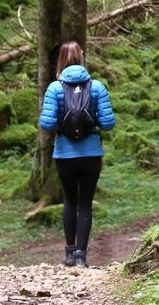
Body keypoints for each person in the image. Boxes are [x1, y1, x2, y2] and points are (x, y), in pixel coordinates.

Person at [38, 42, 116, 268]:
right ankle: (82, 255)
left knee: (70, 200)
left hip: (64, 153)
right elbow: (109, 123)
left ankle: (69, 254)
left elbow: (46, 122)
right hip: (91, 153)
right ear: (82, 59)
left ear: (60, 61)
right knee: (86, 203)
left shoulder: (54, 88)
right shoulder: (97, 87)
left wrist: (61, 127)